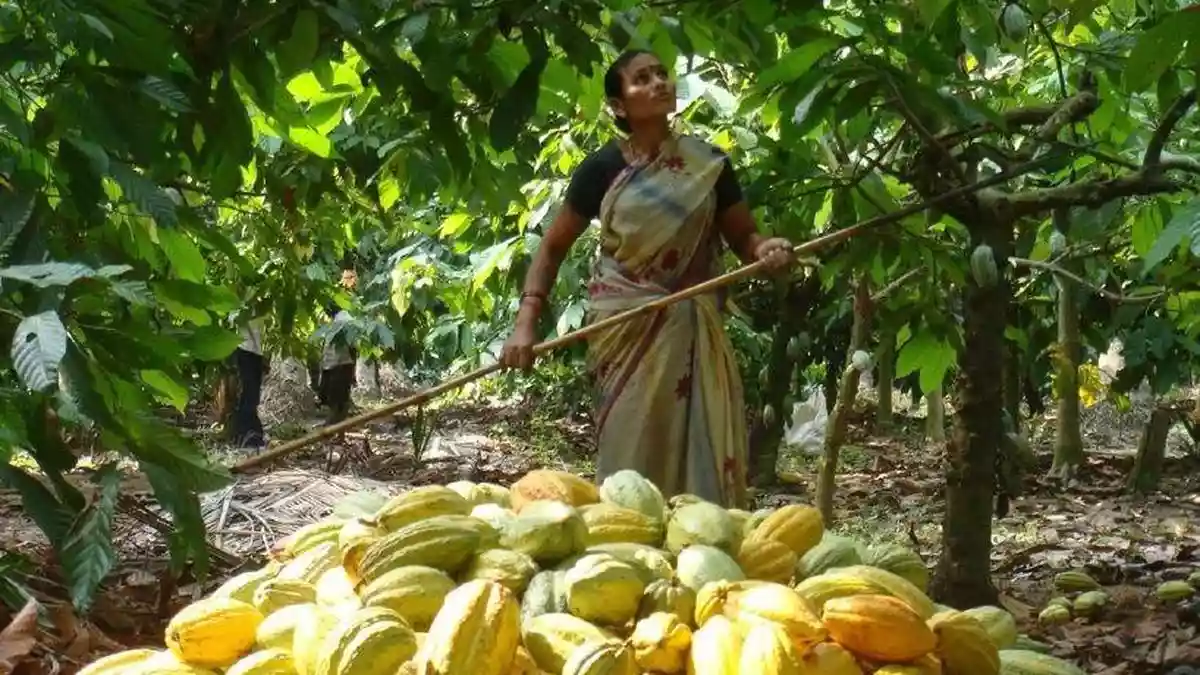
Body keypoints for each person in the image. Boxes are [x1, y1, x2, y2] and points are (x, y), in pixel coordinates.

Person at [499, 50, 795, 509]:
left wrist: (764, 249)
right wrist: (525, 322)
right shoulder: (601, 170)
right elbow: (552, 247)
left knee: (700, 455)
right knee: (628, 456)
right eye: (641, 79)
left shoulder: (709, 163)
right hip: (624, 326)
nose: (658, 83)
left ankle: (700, 548)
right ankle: (626, 546)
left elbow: (744, 236)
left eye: (662, 74)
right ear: (618, 105)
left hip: (694, 328)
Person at [319, 268, 359, 425]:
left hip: (340, 365)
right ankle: (335, 428)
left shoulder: (345, 319)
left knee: (338, 401)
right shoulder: (335, 320)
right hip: (333, 364)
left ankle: (334, 429)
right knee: (333, 398)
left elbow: (352, 345)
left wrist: (353, 369)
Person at [232, 312, 267, 449]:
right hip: (244, 350)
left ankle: (250, 433)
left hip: (254, 353)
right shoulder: (241, 305)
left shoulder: (260, 305)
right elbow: (233, 319)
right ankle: (247, 434)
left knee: (253, 394)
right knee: (249, 392)